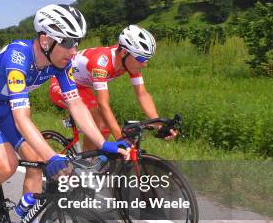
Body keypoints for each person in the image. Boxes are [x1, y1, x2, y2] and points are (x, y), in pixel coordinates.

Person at [0, 4, 130, 223]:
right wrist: (52, 156)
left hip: (5, 106)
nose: (74, 51)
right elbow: (22, 116)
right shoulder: (18, 57)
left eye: (77, 42)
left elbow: (76, 104)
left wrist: (104, 144)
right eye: (69, 42)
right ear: (45, 40)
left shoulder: (59, 63)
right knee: (8, 165)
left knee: (37, 162)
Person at [48, 25, 177, 147]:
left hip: (82, 87)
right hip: (60, 84)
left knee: (105, 127)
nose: (145, 64)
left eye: (147, 59)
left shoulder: (130, 62)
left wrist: (158, 123)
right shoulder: (101, 63)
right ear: (124, 52)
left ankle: (95, 158)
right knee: (98, 116)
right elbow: (103, 104)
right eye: (142, 59)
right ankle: (86, 164)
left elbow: (142, 94)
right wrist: (121, 139)